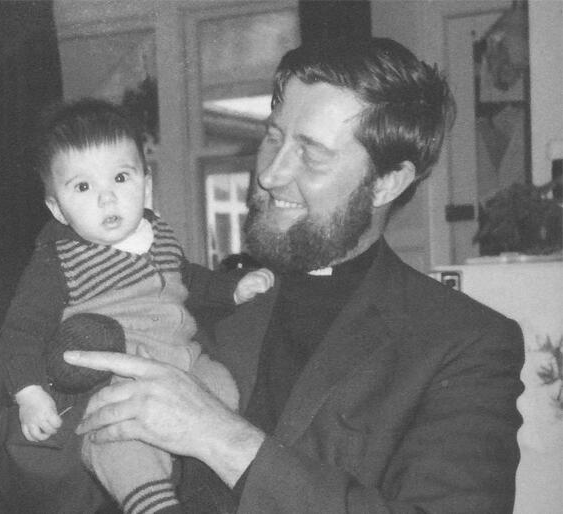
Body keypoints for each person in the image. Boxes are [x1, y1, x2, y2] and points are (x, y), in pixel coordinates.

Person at [64, 37, 526, 513]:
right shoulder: (183, 296)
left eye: (312, 153)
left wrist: (220, 437)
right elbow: (51, 481)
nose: (270, 173)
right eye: (273, 137)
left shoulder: (464, 342)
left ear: (387, 182)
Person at [0, 98, 274, 514]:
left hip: (187, 362)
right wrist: (31, 394)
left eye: (120, 178)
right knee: (119, 439)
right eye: (83, 187)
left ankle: (209, 482)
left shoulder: (156, 232)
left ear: (145, 182)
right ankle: (151, 502)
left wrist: (232, 289)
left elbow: (188, 277)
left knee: (228, 393)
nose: (107, 199)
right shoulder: (58, 261)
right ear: (57, 208)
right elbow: (22, 332)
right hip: (121, 379)